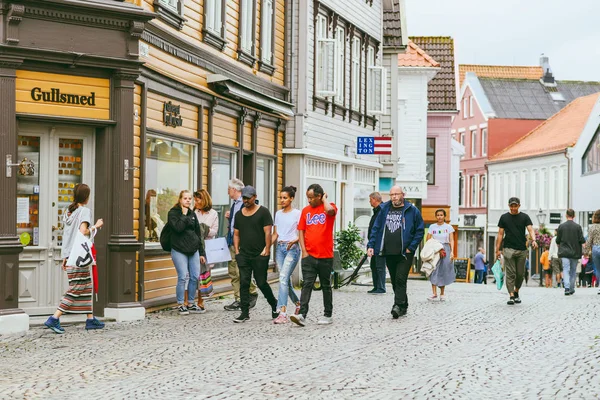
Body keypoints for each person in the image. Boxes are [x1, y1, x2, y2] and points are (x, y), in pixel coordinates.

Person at [44, 184, 105, 334]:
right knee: (76, 289)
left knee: (86, 287)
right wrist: (96, 226)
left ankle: (90, 320)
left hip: (71, 256)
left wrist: (65, 256)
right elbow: (82, 232)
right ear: (86, 197)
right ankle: (54, 318)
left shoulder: (69, 213)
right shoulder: (84, 211)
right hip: (79, 257)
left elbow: (67, 236)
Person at [367, 186, 425, 319]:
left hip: (405, 252)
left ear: (402, 195)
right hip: (388, 251)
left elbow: (419, 230)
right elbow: (376, 228)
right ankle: (403, 304)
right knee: (394, 279)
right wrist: (371, 245)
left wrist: (411, 247)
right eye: (391, 194)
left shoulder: (412, 210)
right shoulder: (384, 209)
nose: (394, 197)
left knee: (400, 278)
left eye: (396, 194)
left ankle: (397, 305)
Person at [290, 184, 337, 327]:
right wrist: (304, 251)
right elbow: (301, 231)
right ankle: (302, 315)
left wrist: (324, 199)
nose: (309, 200)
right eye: (307, 198)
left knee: (325, 285)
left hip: (326, 256)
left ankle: (327, 314)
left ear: (319, 196)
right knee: (307, 285)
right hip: (309, 255)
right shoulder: (306, 211)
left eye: (311, 198)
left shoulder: (329, 206)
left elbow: (330, 211)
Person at [232, 186, 278, 323]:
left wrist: (267, 249)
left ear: (254, 197)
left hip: (260, 254)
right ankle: (244, 312)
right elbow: (236, 234)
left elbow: (267, 233)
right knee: (244, 282)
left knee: (261, 282)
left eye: (248, 198)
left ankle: (274, 304)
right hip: (244, 254)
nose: (245, 200)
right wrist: (237, 250)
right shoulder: (239, 214)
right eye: (244, 198)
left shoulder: (263, 212)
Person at [168, 190, 206, 315]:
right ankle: (180, 303)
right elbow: (177, 228)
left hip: (193, 249)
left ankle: (190, 303)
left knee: (195, 277)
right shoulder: (173, 213)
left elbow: (198, 234)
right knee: (183, 277)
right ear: (180, 200)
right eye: (185, 198)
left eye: (190, 198)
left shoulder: (192, 214)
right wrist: (184, 216)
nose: (188, 200)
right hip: (179, 249)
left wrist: (201, 253)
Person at [495, 197, 538, 305]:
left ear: (519, 206)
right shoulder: (504, 218)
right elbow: (500, 234)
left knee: (520, 274)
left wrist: (534, 240)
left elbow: (530, 229)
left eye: (515, 206)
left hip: (522, 249)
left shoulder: (524, 217)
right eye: (511, 206)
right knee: (510, 273)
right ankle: (511, 295)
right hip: (508, 248)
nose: (513, 208)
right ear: (509, 206)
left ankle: (516, 291)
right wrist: (498, 250)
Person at [224, 178, 258, 311]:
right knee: (233, 271)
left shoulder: (245, 204)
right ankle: (238, 299)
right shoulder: (234, 205)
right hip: (232, 241)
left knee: (241, 271)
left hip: (243, 243)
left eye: (228, 189)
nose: (228, 192)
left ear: (234, 189)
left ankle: (252, 292)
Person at [271, 186, 302, 324]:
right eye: (281, 198)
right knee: (285, 281)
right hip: (280, 248)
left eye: (285, 198)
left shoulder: (297, 214)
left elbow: (302, 232)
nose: (282, 200)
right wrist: (266, 248)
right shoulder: (278, 214)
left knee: (283, 278)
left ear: (291, 198)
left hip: (292, 249)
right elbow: (275, 234)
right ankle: (298, 303)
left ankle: (282, 313)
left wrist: (295, 239)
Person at [194, 189, 219, 312]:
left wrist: (204, 229)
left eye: (197, 199)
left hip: (208, 246)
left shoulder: (213, 213)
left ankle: (201, 300)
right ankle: (190, 301)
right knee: (194, 273)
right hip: (195, 245)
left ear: (204, 200)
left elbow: (215, 231)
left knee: (204, 274)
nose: (195, 202)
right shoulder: (194, 212)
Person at [426, 209, 455, 300]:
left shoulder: (448, 227)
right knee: (433, 269)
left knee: (443, 270)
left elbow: (451, 240)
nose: (439, 217)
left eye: (441, 215)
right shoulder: (432, 227)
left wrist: (452, 251)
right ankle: (434, 293)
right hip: (435, 249)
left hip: (445, 249)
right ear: (436, 216)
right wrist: (434, 248)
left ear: (444, 216)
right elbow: (428, 239)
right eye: (438, 215)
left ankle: (442, 293)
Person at [556, 209, 585, 296]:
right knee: (573, 270)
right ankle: (571, 288)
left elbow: (558, 240)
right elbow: (582, 240)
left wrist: (560, 247)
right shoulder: (578, 227)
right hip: (575, 252)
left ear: (566, 215)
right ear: (574, 216)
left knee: (565, 269)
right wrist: (586, 250)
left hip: (564, 252)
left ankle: (567, 288)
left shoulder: (561, 226)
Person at [367, 192, 386, 294]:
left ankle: (381, 287)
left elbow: (379, 229)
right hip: (374, 243)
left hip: (379, 244)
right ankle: (376, 286)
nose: (369, 202)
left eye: (370, 200)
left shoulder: (382, 210)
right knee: (374, 265)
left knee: (379, 266)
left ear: (375, 199)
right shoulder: (377, 211)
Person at [585, 209, 600, 294]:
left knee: (598, 269)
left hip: (596, 249)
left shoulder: (593, 227)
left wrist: (586, 252)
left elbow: (589, 240)